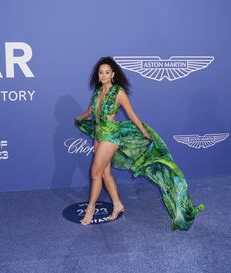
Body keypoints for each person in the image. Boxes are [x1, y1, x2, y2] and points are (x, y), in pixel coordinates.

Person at [75, 56, 204, 230]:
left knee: (95, 174)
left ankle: (90, 210)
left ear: (113, 74)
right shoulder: (98, 91)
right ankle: (117, 204)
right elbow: (90, 110)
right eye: (101, 72)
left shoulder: (118, 92)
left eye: (107, 72)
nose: (104, 75)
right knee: (105, 174)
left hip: (110, 137)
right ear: (98, 75)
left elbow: (132, 114)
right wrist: (80, 118)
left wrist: (144, 131)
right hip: (98, 135)